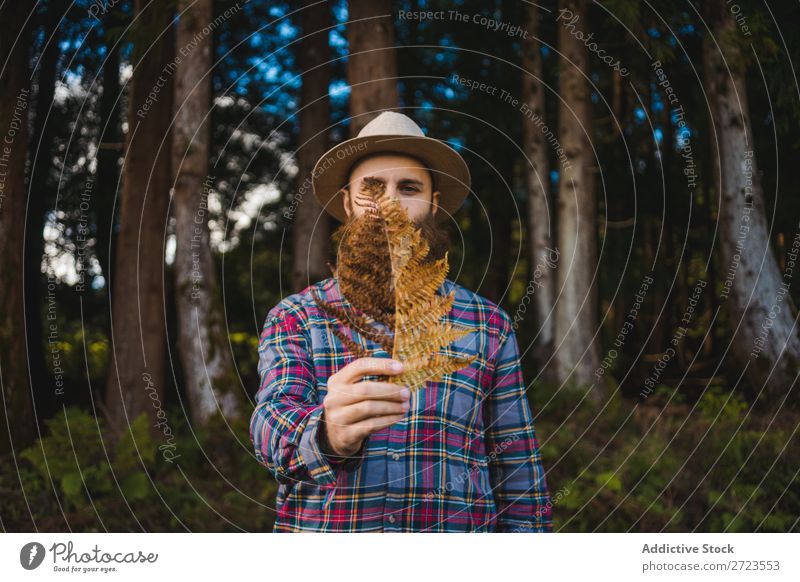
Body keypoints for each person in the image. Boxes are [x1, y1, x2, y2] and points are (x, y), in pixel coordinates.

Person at [250, 111, 552, 532]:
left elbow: (515, 465)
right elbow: (269, 426)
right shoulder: (298, 317)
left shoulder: (486, 325)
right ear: (347, 203)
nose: (389, 203)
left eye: (407, 188)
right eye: (372, 188)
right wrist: (325, 434)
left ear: (433, 203)